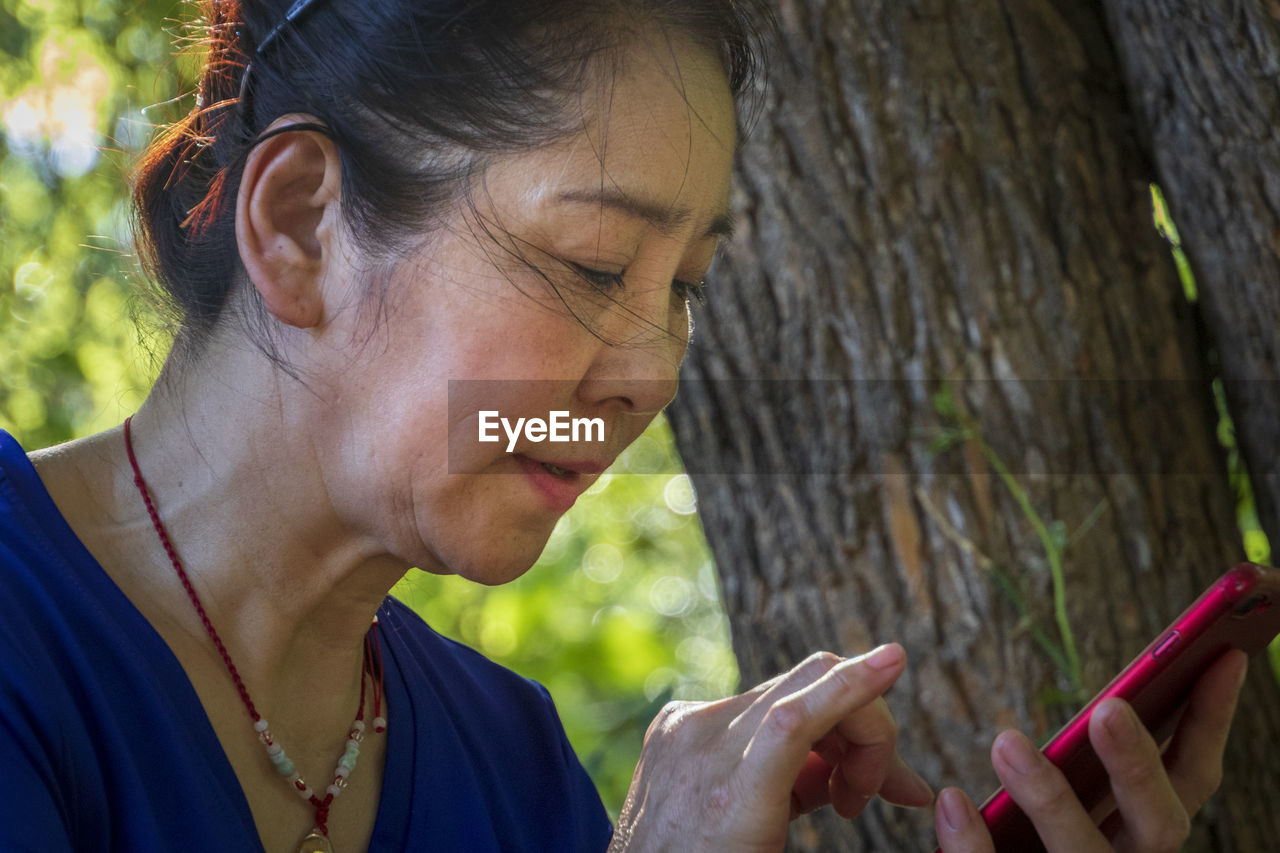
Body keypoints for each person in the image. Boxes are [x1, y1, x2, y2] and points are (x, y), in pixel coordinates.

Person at [0, 0, 1248, 850]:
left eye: (685, 288)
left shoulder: (512, 758)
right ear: (299, 223)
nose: (652, 373)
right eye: (593, 265)